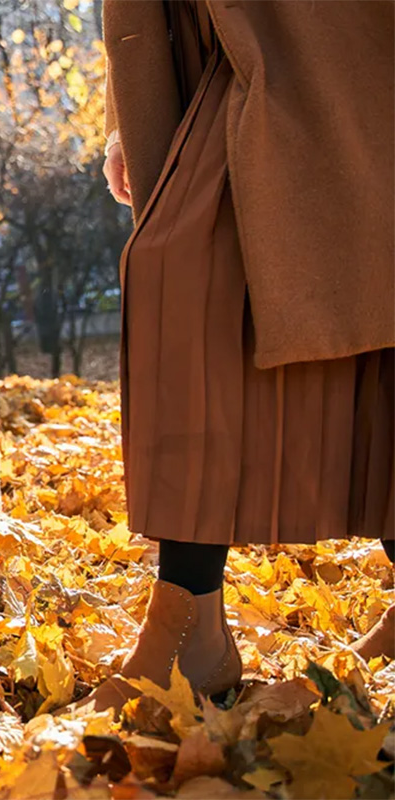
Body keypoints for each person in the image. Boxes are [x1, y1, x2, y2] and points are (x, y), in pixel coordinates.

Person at [76, 0, 394, 713]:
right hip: (219, 49)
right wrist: (126, 113)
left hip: (351, 48)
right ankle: (191, 625)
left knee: (380, 303)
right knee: (178, 283)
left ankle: (192, 626)